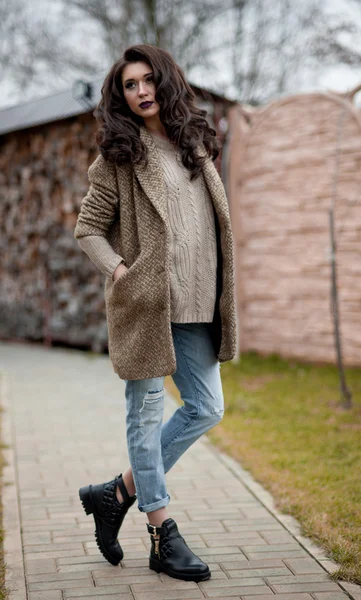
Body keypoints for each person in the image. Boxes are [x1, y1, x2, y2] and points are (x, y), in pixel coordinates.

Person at [73, 43, 237, 583]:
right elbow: (88, 228)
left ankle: (116, 492)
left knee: (207, 407)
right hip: (146, 304)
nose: (141, 91)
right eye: (129, 85)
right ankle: (162, 531)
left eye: (148, 80)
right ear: (120, 95)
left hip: (196, 303)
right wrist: (122, 272)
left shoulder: (194, 146)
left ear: (165, 82)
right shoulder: (119, 156)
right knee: (144, 416)